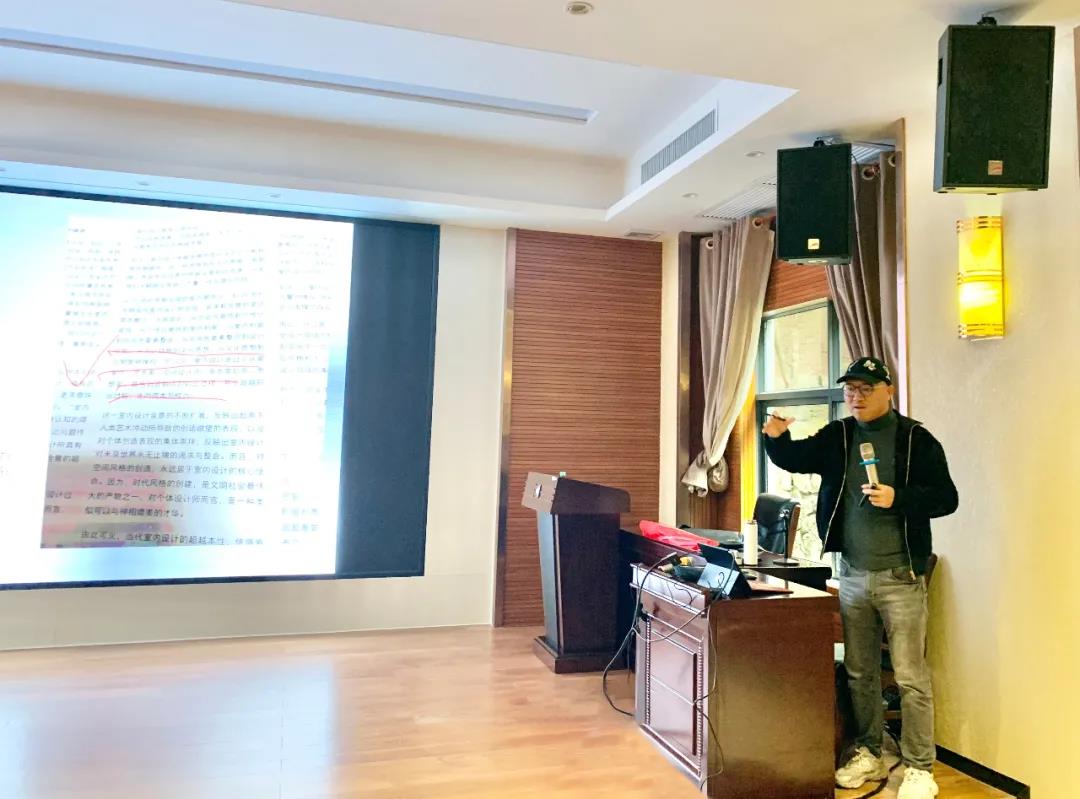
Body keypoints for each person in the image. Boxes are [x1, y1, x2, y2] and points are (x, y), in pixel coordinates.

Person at [761, 356, 958, 799]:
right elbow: (796, 459)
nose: (856, 396)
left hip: (901, 576)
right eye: (851, 389)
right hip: (851, 573)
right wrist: (775, 437)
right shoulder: (841, 435)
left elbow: (947, 498)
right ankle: (869, 750)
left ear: (889, 390)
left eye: (866, 388)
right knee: (859, 672)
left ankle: (920, 767)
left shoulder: (916, 439)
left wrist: (898, 497)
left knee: (910, 677)